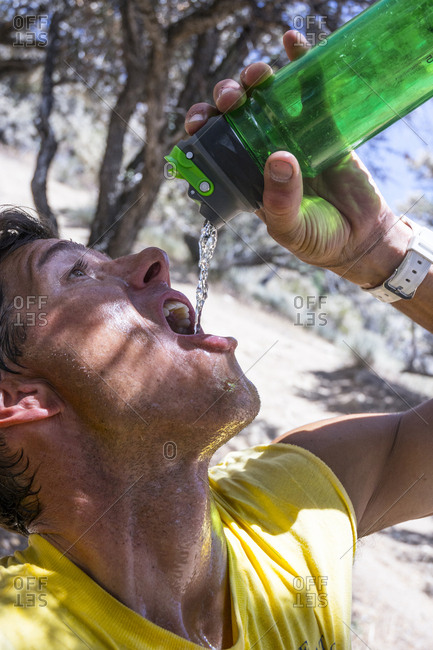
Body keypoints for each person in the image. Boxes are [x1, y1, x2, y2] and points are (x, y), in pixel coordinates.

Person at [0, 29, 432, 650]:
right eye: (76, 274)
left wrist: (383, 251)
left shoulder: (289, 501)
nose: (152, 260)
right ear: (18, 398)